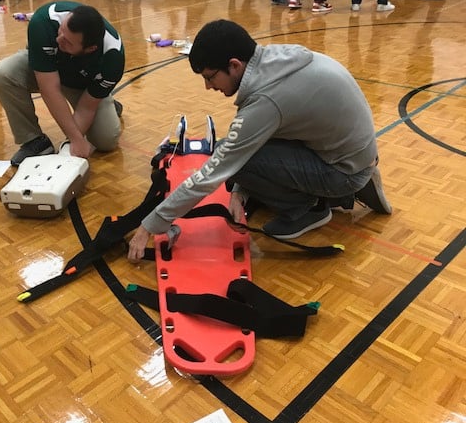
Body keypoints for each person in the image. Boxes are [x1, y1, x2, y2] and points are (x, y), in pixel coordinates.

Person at [127, 19, 392, 260]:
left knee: (230, 159)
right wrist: (240, 191)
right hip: (352, 151)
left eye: (210, 77)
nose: (208, 87)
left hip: (342, 169)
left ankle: (309, 209)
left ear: (234, 65)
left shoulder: (266, 100)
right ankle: (356, 177)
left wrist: (151, 224)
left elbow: (212, 173)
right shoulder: (274, 60)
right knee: (237, 158)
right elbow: (266, 134)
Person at [0, 1, 124, 166]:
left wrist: (71, 145)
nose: (59, 40)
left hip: (83, 85)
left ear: (90, 49)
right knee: (1, 74)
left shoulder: (113, 57)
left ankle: (105, 99)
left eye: (68, 42)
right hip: (48, 71)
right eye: (61, 31)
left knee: (106, 140)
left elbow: (87, 107)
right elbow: (49, 89)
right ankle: (34, 141)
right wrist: (76, 139)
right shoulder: (43, 21)